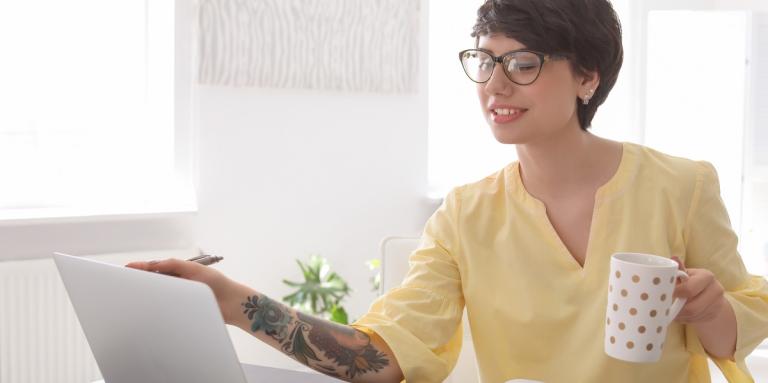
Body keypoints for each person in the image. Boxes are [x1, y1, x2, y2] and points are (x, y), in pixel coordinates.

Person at [128, 0, 768, 382]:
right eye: (484, 61)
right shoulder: (466, 215)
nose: (495, 85)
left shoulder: (682, 186)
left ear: (588, 77)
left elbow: (738, 330)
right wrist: (225, 298)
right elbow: (378, 360)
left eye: (523, 64)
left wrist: (711, 309)